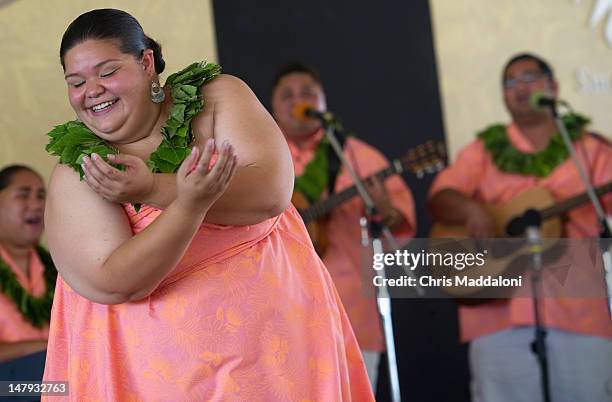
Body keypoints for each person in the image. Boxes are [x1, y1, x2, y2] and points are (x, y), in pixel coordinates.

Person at [42, 9, 374, 401]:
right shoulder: (81, 168)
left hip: (283, 355)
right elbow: (113, 281)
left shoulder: (216, 98)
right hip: (167, 378)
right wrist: (187, 203)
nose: (91, 90)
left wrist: (155, 187)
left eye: (107, 72)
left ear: (146, 62)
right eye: (76, 82)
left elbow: (271, 191)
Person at [427, 53, 612, 402]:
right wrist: (471, 210)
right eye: (510, 82)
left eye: (530, 77)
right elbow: (439, 198)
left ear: (553, 87)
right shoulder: (483, 150)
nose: (520, 87)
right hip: (498, 318)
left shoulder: (589, 149)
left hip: (580, 314)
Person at [270, 63, 417, 389]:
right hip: (279, 310)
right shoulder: (260, 154)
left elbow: (398, 228)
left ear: (323, 102)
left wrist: (385, 209)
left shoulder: (356, 155)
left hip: (350, 309)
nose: (298, 101)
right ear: (272, 106)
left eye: (308, 94)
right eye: (288, 95)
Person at [0, 165, 51, 364]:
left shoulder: (60, 270)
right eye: (23, 195)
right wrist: (47, 348)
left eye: (41, 196)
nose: (36, 205)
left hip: (55, 388)